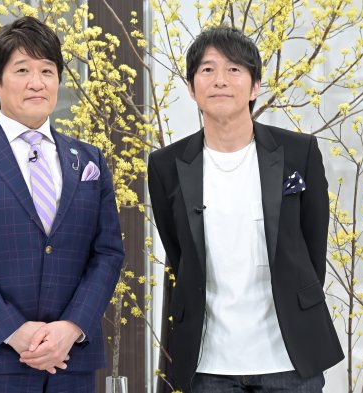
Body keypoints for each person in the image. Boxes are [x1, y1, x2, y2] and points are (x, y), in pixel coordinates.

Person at [0, 15, 124, 393]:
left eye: (47, 71)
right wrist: (13, 331)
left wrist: (71, 327)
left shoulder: (89, 159)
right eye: (22, 70)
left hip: (71, 361)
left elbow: (108, 253)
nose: (37, 82)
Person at [147, 26, 343, 393]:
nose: (220, 80)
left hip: (289, 360)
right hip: (208, 365)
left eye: (234, 69)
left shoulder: (298, 153)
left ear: (254, 87)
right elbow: (179, 253)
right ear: (191, 88)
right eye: (207, 70)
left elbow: (313, 246)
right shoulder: (166, 165)